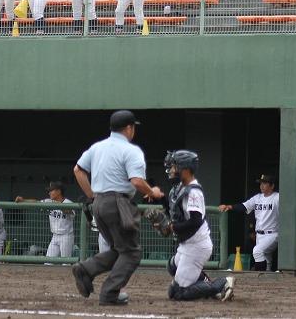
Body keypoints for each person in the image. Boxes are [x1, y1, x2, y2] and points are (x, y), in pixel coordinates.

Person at [71, 111, 164, 306]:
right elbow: (137, 181)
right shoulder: (131, 150)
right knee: (132, 252)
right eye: (133, 127)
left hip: (99, 203)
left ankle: (85, 269)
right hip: (118, 203)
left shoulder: (97, 147)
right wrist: (152, 192)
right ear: (129, 128)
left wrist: (92, 195)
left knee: (119, 249)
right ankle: (109, 293)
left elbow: (78, 170)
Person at [155, 150, 235, 302]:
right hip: (187, 244)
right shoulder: (179, 188)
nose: (171, 170)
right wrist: (161, 199)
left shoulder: (194, 192)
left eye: (174, 166)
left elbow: (195, 221)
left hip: (197, 246)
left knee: (177, 293)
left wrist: (172, 228)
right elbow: (174, 212)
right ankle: (209, 286)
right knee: (172, 266)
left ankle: (223, 283)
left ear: (185, 169)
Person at [218, 173, 279, 271]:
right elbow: (244, 206)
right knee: (266, 260)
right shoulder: (257, 197)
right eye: (261, 183)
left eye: (265, 183)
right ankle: (265, 283)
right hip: (259, 235)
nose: (262, 186)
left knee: (257, 251)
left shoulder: (277, 198)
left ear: (272, 186)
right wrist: (229, 206)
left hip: (272, 234)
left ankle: (258, 275)